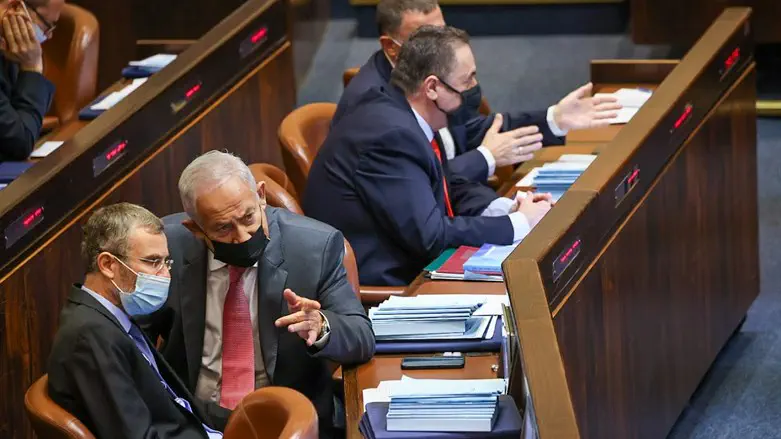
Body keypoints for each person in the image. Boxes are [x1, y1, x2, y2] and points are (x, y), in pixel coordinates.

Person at [142, 151, 376, 439]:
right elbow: (135, 338)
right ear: (195, 229)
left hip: (286, 423)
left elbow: (361, 336)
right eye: (223, 228)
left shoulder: (314, 247)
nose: (242, 236)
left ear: (261, 195)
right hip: (194, 423)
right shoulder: (167, 249)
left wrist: (322, 325)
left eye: (248, 217)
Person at [304, 26, 559, 287]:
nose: (475, 88)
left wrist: (506, 209)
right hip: (393, 286)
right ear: (433, 87)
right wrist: (519, 222)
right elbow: (430, 237)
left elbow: (443, 187)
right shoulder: (389, 136)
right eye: (468, 80)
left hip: (416, 263)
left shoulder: (409, 114)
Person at [333, 0, 620, 184]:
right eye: (426, 38)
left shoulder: (441, 77)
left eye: (443, 32)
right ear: (391, 47)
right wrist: (486, 158)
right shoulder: (370, 107)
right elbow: (421, 183)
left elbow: (472, 130)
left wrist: (554, 118)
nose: (443, 46)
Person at [47, 203, 228, 439]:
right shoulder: (89, 336)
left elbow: (173, 402)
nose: (165, 275)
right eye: (153, 262)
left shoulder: (115, 318)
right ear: (108, 265)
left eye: (166, 262)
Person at [0, 0, 61, 160]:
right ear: (15, 8)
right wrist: (32, 67)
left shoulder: (7, 49)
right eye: (48, 26)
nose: (49, 35)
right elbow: (19, 143)